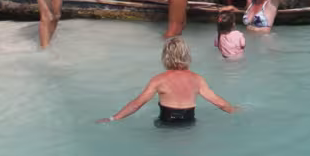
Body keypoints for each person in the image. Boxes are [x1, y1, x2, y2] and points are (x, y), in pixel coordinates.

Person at [97, 37, 236, 127]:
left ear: (165, 57)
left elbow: (136, 104)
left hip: (166, 123)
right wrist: (236, 111)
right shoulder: (197, 79)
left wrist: (113, 118)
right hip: (188, 124)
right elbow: (220, 103)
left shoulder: (159, 79)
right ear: (187, 56)